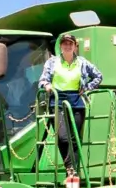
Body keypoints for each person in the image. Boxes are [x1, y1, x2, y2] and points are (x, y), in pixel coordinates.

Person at [38, 34, 103, 173]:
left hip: (77, 101)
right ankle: (69, 165)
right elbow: (43, 80)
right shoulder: (52, 62)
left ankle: (74, 169)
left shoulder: (82, 62)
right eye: (64, 44)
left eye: (70, 44)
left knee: (75, 138)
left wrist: (86, 88)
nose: (67, 46)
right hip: (58, 101)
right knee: (63, 137)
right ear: (60, 46)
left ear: (75, 46)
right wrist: (47, 86)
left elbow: (98, 76)